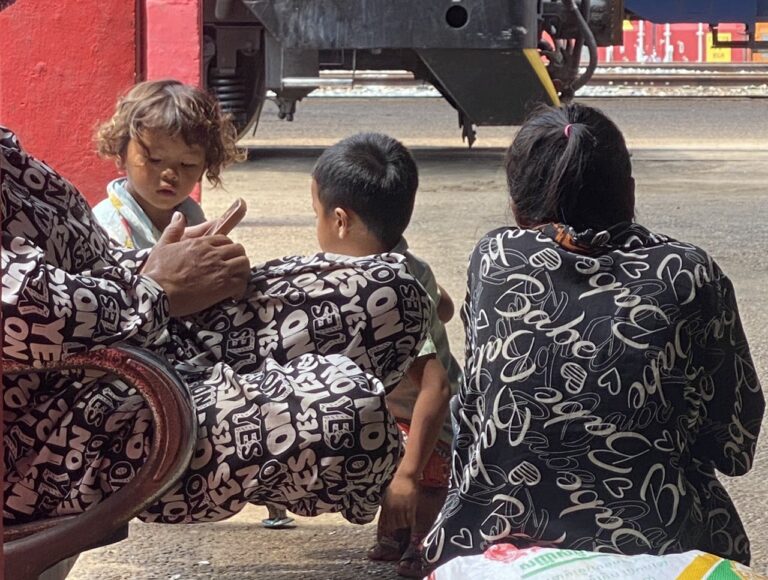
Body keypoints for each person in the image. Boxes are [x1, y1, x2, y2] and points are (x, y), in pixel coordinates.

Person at [2, 123, 434, 528]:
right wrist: (156, 287)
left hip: (135, 335)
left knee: (390, 294)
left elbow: (82, 261)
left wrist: (166, 264)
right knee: (348, 409)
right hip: (61, 432)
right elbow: (25, 316)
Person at [423, 103, 764, 568]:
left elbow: (481, 406)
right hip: (661, 539)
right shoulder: (688, 273)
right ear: (629, 191)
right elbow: (732, 442)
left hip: (492, 536)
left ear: (517, 203)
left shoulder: (496, 259)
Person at [309, 133, 460, 577]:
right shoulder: (408, 264)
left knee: (423, 483)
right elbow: (445, 305)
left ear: (340, 221)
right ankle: (394, 534)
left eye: (314, 213)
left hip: (429, 423)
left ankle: (422, 544)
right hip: (394, 410)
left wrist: (408, 475)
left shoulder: (386, 291)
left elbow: (436, 386)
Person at [92, 79, 244, 249]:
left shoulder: (192, 216)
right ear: (121, 155)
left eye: (188, 164)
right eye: (155, 160)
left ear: (203, 168)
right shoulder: (103, 226)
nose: (170, 174)